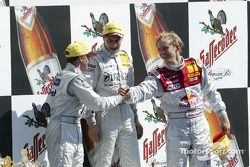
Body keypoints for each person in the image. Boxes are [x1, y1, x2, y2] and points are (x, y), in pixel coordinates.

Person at [119, 31, 231, 167]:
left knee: (202, 164)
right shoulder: (159, 75)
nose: (162, 52)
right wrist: (129, 94)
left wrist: (222, 115)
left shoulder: (196, 66)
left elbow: (212, 92)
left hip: (200, 122)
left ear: (177, 47)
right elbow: (143, 89)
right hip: (177, 126)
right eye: (159, 49)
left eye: (165, 48)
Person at [44, 41, 126, 167]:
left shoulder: (65, 75)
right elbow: (96, 103)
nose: (89, 60)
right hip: (63, 129)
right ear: (81, 59)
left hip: (71, 126)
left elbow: (86, 104)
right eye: (87, 57)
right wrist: (120, 97)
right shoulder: (73, 78)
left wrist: (91, 122)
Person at [84, 21, 142, 167]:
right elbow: (87, 93)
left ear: (121, 39)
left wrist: (136, 119)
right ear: (103, 38)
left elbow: (131, 89)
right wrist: (91, 124)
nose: (114, 43)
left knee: (133, 160)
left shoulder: (126, 57)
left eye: (117, 40)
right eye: (110, 40)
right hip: (105, 113)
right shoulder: (94, 58)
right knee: (104, 160)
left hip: (126, 112)